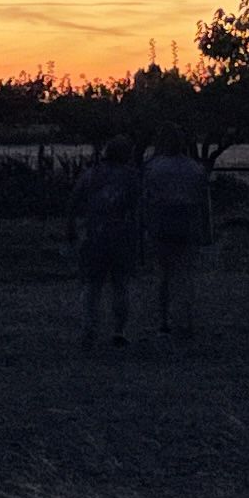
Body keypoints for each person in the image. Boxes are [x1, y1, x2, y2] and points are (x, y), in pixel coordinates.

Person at [71, 136, 144, 348]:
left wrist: (71, 226)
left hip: (95, 235)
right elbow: (138, 208)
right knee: (120, 285)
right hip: (122, 235)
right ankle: (119, 330)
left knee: (92, 286)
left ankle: (88, 330)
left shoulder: (91, 174)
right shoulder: (131, 177)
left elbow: (74, 199)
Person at [140, 136, 213, 332]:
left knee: (164, 274)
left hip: (162, 225)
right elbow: (203, 200)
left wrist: (147, 225)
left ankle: (164, 320)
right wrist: (206, 230)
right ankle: (186, 319)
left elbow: (146, 198)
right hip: (187, 224)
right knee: (185, 274)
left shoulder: (154, 167)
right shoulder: (195, 169)